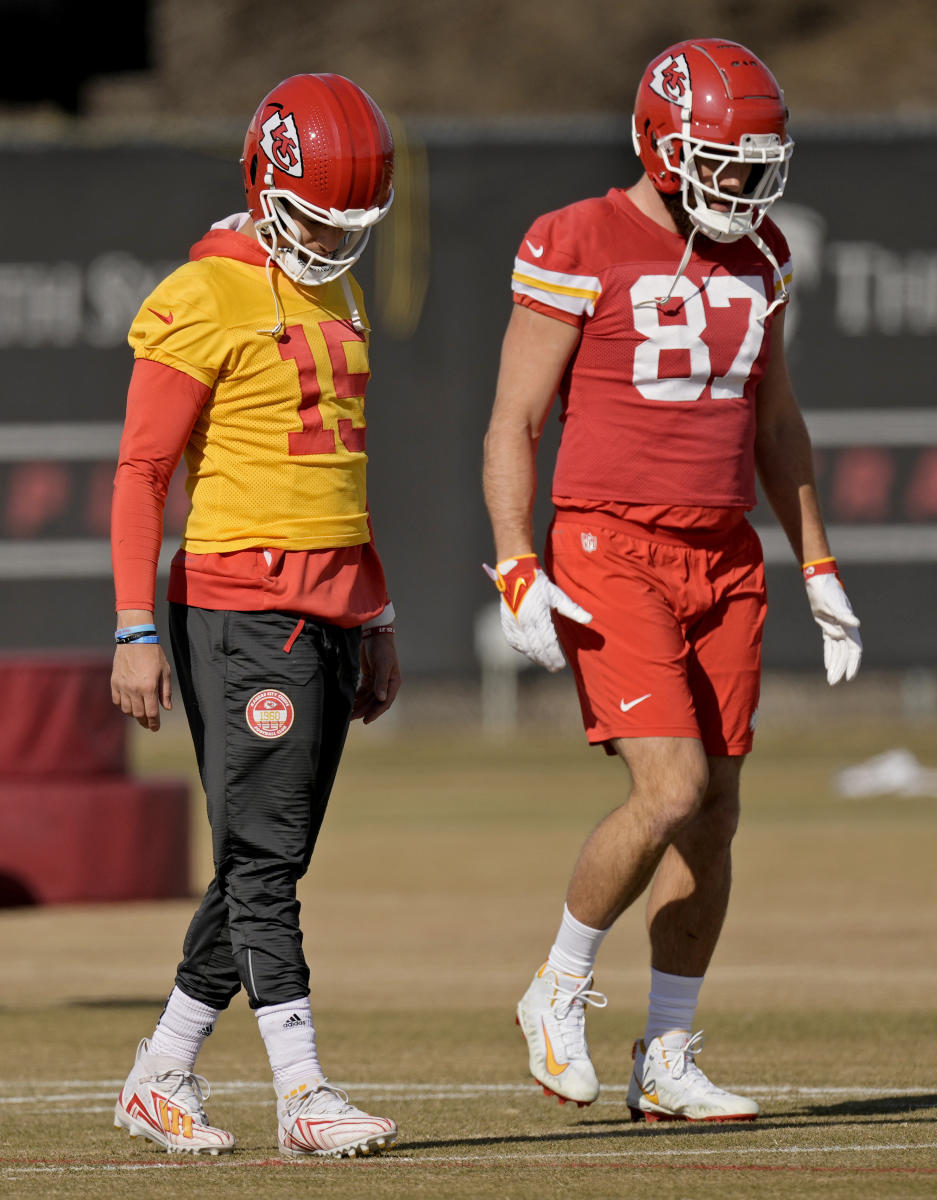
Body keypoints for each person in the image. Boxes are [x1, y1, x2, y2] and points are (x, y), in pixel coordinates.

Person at [482, 38, 862, 1123]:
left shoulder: (763, 254)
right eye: (723, 160)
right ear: (661, 144)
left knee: (718, 813)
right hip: (609, 540)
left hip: (724, 551)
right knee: (672, 788)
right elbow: (515, 418)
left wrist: (819, 562)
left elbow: (776, 421)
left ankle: (669, 1054)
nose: (743, 181)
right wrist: (516, 559)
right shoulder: (578, 237)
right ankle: (556, 986)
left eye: (755, 161)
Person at [109, 73, 402, 1160]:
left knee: (260, 862)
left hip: (329, 604)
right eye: (318, 219)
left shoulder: (333, 292)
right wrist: (135, 627)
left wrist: (376, 615)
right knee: (266, 863)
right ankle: (302, 1089)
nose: (333, 243)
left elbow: (343, 473)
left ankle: (163, 1072)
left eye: (349, 224)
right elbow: (141, 472)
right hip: (241, 604)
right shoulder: (202, 294)